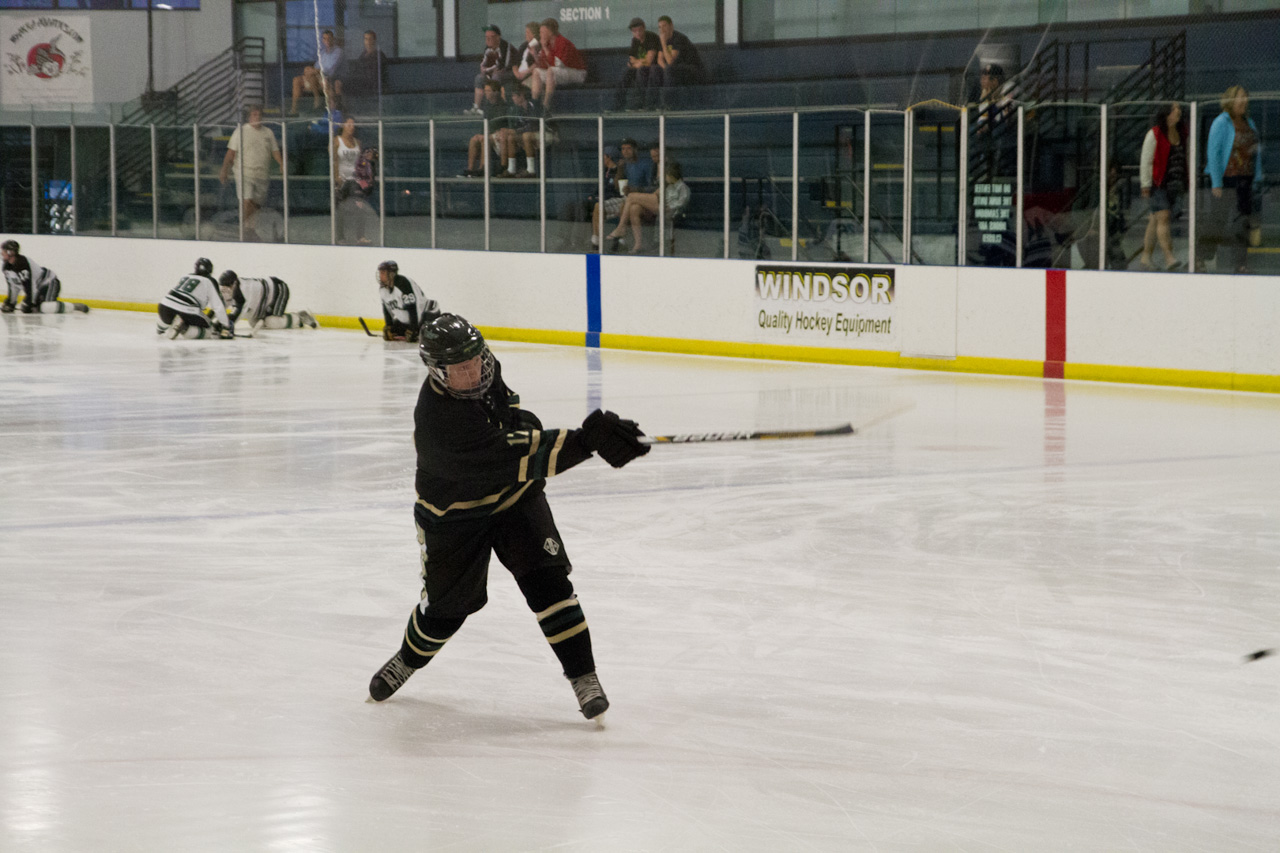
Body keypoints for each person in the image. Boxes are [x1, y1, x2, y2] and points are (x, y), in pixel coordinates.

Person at [366, 313, 649, 721]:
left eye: (476, 361)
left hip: (514, 499)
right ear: (437, 372)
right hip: (455, 515)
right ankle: (407, 659)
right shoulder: (438, 421)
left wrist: (560, 432)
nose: (473, 373)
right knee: (445, 612)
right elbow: (513, 455)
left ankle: (584, 677)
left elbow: (513, 421)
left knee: (550, 583)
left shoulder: (485, 368)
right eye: (461, 368)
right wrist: (586, 442)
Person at [1200, 85, 1264, 274]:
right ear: (1230, 100)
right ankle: (1200, 257)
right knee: (1217, 221)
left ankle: (1240, 263)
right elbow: (1214, 153)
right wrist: (1216, 182)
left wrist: (1257, 176)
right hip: (1227, 180)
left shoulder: (1249, 122)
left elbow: (1255, 151)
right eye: (1240, 97)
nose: (1244, 100)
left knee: (1242, 222)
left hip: (1245, 179)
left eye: (1246, 97)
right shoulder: (1221, 122)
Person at [219, 106, 284, 242]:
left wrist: (281, 163)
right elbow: (231, 153)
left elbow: (275, 151)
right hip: (244, 172)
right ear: (249, 117)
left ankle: (249, 229)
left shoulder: (268, 133)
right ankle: (245, 230)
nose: (257, 117)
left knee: (255, 205)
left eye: (259, 115)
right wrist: (224, 170)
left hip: (262, 174)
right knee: (247, 200)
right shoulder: (240, 132)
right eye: (254, 115)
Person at [1138, 102, 1188, 271]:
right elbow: (1146, 160)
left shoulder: (1182, 133)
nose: (1178, 111)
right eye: (1175, 109)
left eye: (1179, 108)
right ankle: (1168, 256)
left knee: (1155, 220)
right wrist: (1145, 184)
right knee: (1163, 217)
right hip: (1158, 184)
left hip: (1176, 184)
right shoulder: (1155, 134)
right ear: (1167, 114)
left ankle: (1146, 257)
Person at [604, 160, 691, 254]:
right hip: (659, 205)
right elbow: (655, 195)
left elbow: (682, 202)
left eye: (666, 175)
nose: (665, 177)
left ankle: (621, 227)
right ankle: (638, 244)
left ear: (672, 175)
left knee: (631, 196)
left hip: (667, 209)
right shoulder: (667, 186)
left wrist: (669, 207)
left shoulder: (683, 187)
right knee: (634, 208)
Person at [590, 138, 655, 249]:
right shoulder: (624, 165)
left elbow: (652, 187)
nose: (625, 151)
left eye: (628, 148)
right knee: (598, 207)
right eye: (623, 149)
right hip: (626, 197)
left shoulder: (645, 164)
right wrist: (620, 169)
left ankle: (621, 240)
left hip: (641, 199)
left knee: (624, 205)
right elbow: (617, 186)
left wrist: (635, 189)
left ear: (635, 150)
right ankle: (596, 242)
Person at [1, 239, 89, 314]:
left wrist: (30, 303)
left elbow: (31, 286)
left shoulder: (23, 264)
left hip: (49, 282)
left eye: (4, 251)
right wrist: (11, 303)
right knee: (34, 307)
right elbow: (14, 286)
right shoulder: (7, 267)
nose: (2, 253)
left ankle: (74, 306)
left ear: (10, 252)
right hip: (38, 287)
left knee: (45, 307)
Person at [217, 270, 318, 334]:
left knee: (271, 322)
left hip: (278, 290)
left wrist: (221, 325)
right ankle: (290, 320)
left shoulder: (244, 291)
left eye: (228, 288)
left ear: (234, 283)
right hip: (264, 299)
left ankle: (299, 317)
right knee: (254, 323)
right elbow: (221, 306)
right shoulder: (235, 287)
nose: (226, 291)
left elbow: (236, 314)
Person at [156, 258, 233, 340]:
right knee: (210, 329)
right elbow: (217, 306)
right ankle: (184, 327)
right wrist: (226, 325)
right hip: (187, 310)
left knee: (168, 317)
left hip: (164, 306)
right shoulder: (209, 281)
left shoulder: (185, 276)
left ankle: (161, 328)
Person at [529, 18, 586, 113]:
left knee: (551, 71)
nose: (540, 35)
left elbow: (557, 65)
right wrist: (535, 54)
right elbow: (542, 66)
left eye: (542, 32)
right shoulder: (547, 44)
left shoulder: (562, 42)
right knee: (536, 72)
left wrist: (545, 48)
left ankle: (545, 106)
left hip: (578, 73)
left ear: (550, 32)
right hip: (561, 72)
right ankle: (535, 105)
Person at [460, 80, 512, 178]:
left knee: (485, 139)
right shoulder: (487, 106)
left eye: (488, 91)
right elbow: (485, 124)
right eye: (485, 90)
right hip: (489, 133)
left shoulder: (504, 106)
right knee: (474, 139)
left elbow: (499, 124)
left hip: (499, 135)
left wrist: (486, 135)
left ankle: (482, 168)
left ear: (495, 92)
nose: (485, 93)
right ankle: (470, 169)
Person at [378, 260, 439, 342]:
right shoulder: (383, 289)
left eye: (383, 273)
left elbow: (412, 308)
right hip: (412, 320)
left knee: (428, 334)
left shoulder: (403, 284)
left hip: (427, 314)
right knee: (394, 331)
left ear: (391, 274)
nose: (380, 276)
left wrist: (413, 329)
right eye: (380, 273)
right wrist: (389, 326)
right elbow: (386, 309)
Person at [466, 25, 519, 116]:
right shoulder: (488, 49)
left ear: (498, 37)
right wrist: (484, 69)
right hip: (493, 72)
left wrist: (487, 70)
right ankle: (477, 108)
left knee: (496, 76)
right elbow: (484, 63)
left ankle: (495, 107)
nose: (488, 39)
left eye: (491, 37)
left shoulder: (505, 47)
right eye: (486, 37)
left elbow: (503, 66)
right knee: (479, 78)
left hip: (509, 73)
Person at [290, 29, 343, 114]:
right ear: (322, 40)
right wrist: (311, 70)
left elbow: (330, 69)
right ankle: (293, 110)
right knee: (297, 80)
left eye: (329, 38)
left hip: (329, 78)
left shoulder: (338, 51)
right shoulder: (322, 53)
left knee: (311, 73)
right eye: (325, 38)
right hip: (317, 77)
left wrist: (314, 71)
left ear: (333, 39)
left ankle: (317, 98)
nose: (327, 41)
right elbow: (316, 66)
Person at [613, 17, 659, 111]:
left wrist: (637, 62)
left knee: (641, 71)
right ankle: (618, 105)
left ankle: (643, 104)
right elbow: (630, 62)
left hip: (654, 69)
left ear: (644, 28)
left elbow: (649, 62)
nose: (637, 33)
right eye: (634, 31)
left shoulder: (651, 37)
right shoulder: (635, 40)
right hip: (641, 67)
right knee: (626, 72)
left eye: (639, 30)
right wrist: (641, 61)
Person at [654, 16, 705, 96]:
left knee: (670, 69)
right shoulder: (663, 38)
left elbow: (670, 61)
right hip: (676, 68)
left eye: (664, 26)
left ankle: (668, 101)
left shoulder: (679, 38)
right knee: (654, 70)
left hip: (692, 68)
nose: (662, 30)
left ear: (671, 26)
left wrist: (663, 43)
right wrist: (665, 68)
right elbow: (659, 59)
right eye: (660, 27)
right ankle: (651, 101)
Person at [344, 30, 388, 106]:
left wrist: (357, 78)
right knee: (340, 83)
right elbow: (357, 69)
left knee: (346, 85)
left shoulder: (379, 55)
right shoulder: (363, 54)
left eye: (370, 39)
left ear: (374, 40)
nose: (368, 41)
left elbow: (375, 75)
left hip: (373, 84)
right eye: (366, 39)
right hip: (361, 82)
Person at [512, 22, 542, 86]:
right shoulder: (524, 45)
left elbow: (538, 64)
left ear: (534, 34)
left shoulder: (539, 47)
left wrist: (524, 74)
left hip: (528, 74)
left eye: (528, 32)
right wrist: (517, 74)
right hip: (518, 74)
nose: (525, 34)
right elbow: (514, 62)